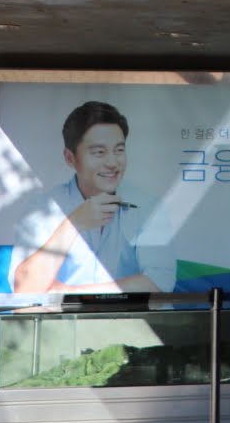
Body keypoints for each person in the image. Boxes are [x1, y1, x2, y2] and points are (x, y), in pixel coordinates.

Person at [11, 100, 147, 294]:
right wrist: (74, 223)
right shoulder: (43, 208)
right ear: (70, 158)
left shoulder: (145, 206)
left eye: (119, 150)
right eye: (99, 152)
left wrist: (71, 292)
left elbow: (159, 282)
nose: (112, 163)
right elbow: (24, 290)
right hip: (61, 315)